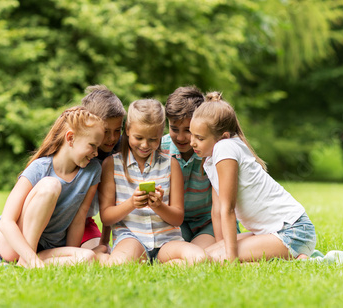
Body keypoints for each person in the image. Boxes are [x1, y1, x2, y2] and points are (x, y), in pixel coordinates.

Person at [189, 92, 317, 263]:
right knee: (204, 256)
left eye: (200, 138)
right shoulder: (211, 159)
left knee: (204, 260)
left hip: (293, 232)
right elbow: (218, 210)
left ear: (224, 136)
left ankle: (294, 257)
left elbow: (227, 209)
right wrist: (222, 249)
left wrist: (231, 260)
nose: (192, 142)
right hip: (273, 232)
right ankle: (291, 259)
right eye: (192, 134)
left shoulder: (225, 148)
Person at [0, 106, 105, 268]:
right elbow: (6, 222)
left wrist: (71, 251)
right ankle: (28, 260)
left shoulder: (92, 171)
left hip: (48, 248)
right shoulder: (40, 168)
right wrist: (30, 256)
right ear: (70, 138)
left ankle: (27, 264)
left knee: (88, 257)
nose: (96, 153)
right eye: (92, 145)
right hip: (12, 244)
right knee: (51, 185)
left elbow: (79, 218)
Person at [98, 99, 206, 265]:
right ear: (127, 130)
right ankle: (128, 259)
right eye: (139, 137)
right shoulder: (112, 165)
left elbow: (178, 218)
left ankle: (164, 264)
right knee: (119, 264)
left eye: (153, 139)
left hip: (167, 240)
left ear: (161, 133)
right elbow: (106, 217)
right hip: (131, 237)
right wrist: (132, 203)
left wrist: (158, 206)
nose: (145, 145)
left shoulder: (171, 164)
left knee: (199, 258)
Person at [162, 86, 225, 250]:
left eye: (188, 130)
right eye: (174, 129)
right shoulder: (161, 150)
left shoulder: (213, 152)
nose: (181, 137)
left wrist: (221, 244)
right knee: (176, 254)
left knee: (200, 254)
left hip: (208, 223)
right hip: (175, 224)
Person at [80, 85, 126, 253]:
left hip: (85, 223)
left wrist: (105, 241)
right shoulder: (80, 152)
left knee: (102, 253)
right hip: (60, 221)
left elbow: (112, 201)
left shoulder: (119, 150)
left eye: (118, 130)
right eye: (106, 131)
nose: (112, 138)